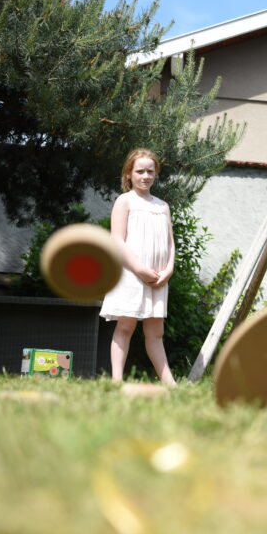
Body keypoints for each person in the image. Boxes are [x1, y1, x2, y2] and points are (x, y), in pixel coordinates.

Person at [99, 148, 177, 386]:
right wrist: (140, 269)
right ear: (129, 174)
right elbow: (117, 240)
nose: (145, 176)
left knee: (156, 332)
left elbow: (170, 244)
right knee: (126, 326)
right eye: (140, 171)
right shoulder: (125, 201)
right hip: (132, 273)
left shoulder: (162, 206)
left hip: (157, 277)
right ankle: (117, 381)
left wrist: (168, 270)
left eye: (150, 171)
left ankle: (169, 384)